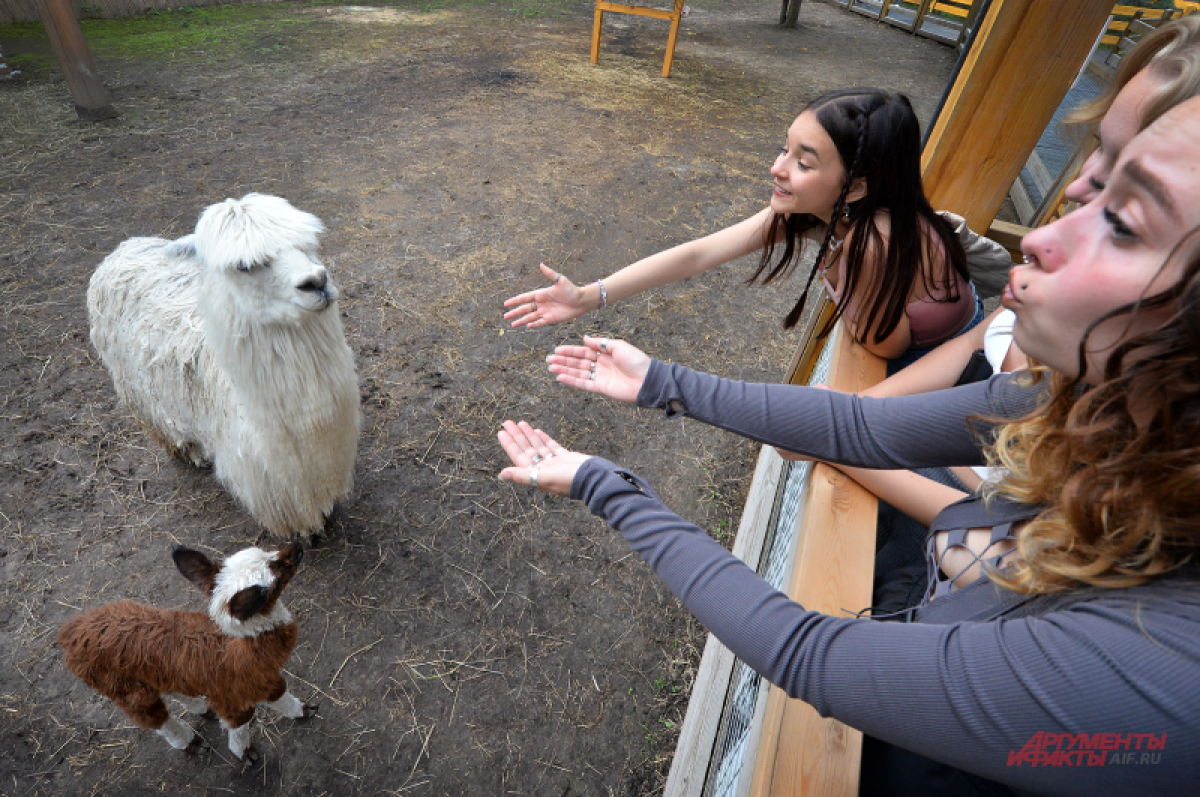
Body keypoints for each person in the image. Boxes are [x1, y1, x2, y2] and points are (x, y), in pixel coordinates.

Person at [496, 98, 1200, 794]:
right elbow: (861, 429)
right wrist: (658, 378)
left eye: (1119, 218)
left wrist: (602, 482)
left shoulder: (1161, 673)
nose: (1042, 235)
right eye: (1094, 176)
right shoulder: (1081, 402)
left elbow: (807, 650)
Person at [503, 88, 1001, 367]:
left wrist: (839, 269)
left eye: (803, 162)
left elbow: (885, 346)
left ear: (854, 187)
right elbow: (700, 254)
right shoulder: (828, 213)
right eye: (785, 148)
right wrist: (590, 296)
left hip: (947, 365)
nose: (777, 168)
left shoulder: (873, 244)